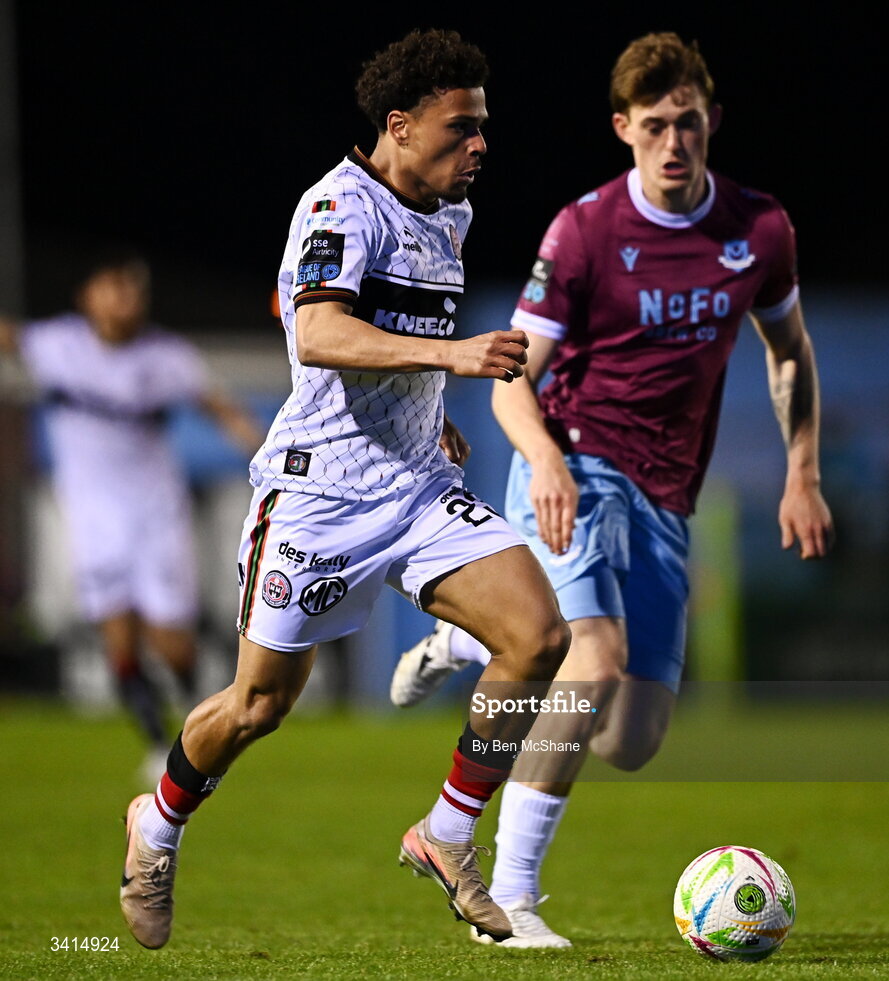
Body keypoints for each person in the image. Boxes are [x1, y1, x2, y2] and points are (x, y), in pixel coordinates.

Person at [118, 29, 570, 950]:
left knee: (539, 635)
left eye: (483, 127)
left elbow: (391, 325)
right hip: (318, 498)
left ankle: (447, 834)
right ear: (398, 126)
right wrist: (449, 358)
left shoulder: (451, 214)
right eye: (460, 128)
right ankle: (156, 823)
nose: (480, 146)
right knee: (258, 706)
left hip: (413, 489)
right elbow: (320, 333)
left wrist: (424, 397)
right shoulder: (336, 207)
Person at [389, 31, 834, 948]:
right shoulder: (587, 230)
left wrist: (803, 471)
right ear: (624, 128)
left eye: (692, 124)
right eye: (658, 125)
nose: (677, 142)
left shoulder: (758, 230)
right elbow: (512, 372)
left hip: (670, 495)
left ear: (712, 123)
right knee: (590, 658)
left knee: (630, 737)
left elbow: (788, 351)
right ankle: (507, 901)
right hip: (578, 465)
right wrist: (545, 458)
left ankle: (472, 647)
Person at [0, 252, 262, 781]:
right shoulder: (58, 345)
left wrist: (266, 456)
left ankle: (201, 722)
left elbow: (222, 409)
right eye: (113, 287)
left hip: (156, 514)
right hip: (94, 516)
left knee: (172, 641)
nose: (125, 299)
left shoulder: (166, 356)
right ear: (87, 296)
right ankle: (155, 738)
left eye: (133, 289)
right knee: (117, 633)